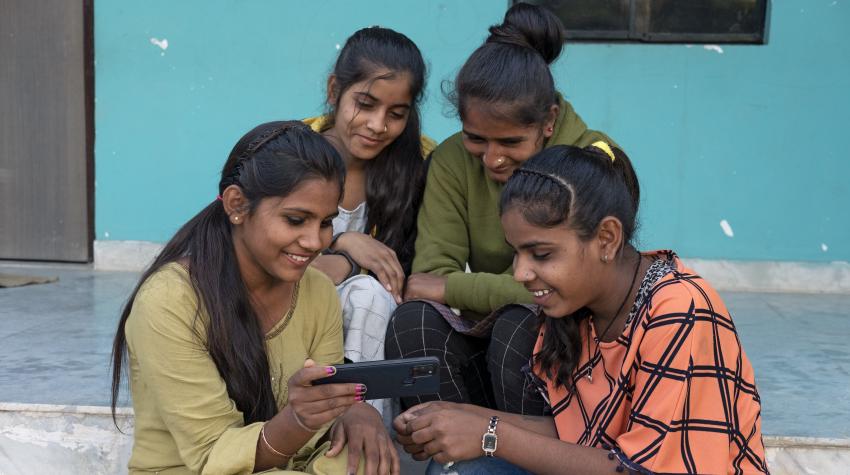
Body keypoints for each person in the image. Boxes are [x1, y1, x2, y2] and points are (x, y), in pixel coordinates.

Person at [393, 144, 769, 474]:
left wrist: (489, 436)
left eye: (541, 254)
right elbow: (577, 434)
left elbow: (642, 469)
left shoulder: (681, 309)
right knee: (458, 467)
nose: (521, 273)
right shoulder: (580, 307)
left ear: (606, 239)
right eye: (516, 253)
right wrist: (458, 419)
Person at [109, 121, 399, 475]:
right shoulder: (169, 301)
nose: (314, 242)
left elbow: (321, 435)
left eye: (326, 223)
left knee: (362, 457)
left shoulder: (318, 292)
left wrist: (354, 411)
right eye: (295, 220)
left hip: (291, 465)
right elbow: (213, 456)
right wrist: (298, 418)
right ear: (237, 205)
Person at [385, 2, 618, 415]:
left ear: (548, 121)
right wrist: (466, 289)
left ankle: (530, 454)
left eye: (510, 142)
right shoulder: (453, 160)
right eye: (476, 138)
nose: (492, 159)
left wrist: (459, 289)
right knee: (414, 323)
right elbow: (428, 280)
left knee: (522, 322)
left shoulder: (591, 161)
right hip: (489, 342)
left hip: (573, 352)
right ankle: (453, 457)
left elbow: (575, 292)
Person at [305, 26, 433, 376]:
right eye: (365, 104)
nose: (378, 125)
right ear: (335, 91)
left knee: (370, 296)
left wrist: (347, 263)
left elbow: (410, 266)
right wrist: (342, 241)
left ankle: (366, 420)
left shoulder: (418, 166)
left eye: (396, 114)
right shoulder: (291, 152)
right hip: (291, 304)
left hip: (373, 320)